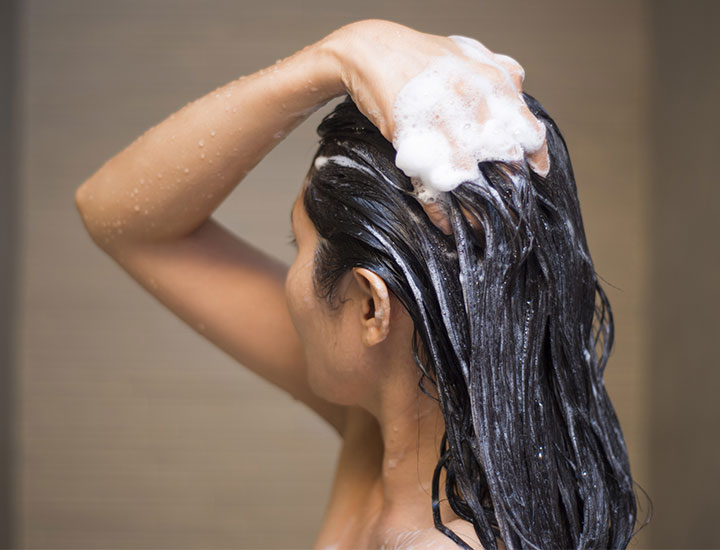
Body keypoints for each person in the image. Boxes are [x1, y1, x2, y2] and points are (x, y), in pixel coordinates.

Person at [74, 19, 644, 550]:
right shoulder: (387, 419)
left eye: (298, 247)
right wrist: (339, 53)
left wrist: (339, 51)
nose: (291, 274)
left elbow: (123, 223)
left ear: (372, 307)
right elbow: (122, 218)